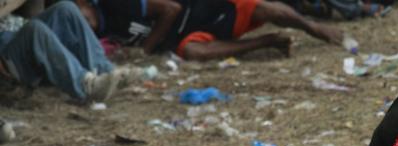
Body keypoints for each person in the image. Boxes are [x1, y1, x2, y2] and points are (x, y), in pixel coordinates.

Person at [74, 0, 343, 61]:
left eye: (80, 13)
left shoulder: (115, 5)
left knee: (263, 9)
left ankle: (314, 27)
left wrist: (146, 50)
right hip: (185, 37)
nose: (82, 21)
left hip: (199, 8)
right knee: (193, 51)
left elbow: (170, 9)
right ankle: (266, 41)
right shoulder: (100, 35)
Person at [0, 1, 140, 101]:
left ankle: (107, 72)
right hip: (7, 60)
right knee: (34, 29)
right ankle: (87, 86)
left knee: (65, 8)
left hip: (15, 34)